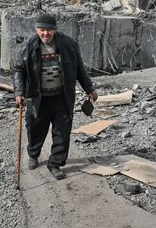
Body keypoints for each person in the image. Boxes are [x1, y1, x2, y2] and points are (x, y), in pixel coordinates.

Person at [14, 13, 98, 180]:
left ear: (55, 30)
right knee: (34, 130)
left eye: (49, 30)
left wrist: (89, 88)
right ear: (37, 29)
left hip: (62, 97)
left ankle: (55, 163)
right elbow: (19, 71)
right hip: (36, 97)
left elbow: (79, 69)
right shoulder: (28, 46)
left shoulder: (69, 44)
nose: (45, 34)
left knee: (62, 132)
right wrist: (19, 92)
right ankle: (33, 154)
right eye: (42, 30)